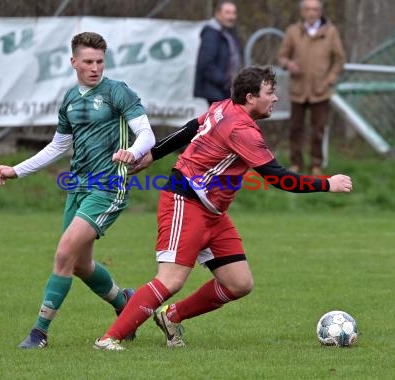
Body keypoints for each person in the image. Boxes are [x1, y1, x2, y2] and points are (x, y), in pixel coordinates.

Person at [94, 66, 353, 351]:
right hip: (186, 200)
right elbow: (278, 177)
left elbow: (190, 129)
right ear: (251, 97)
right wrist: (327, 184)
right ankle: (109, 339)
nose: (276, 98)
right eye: (270, 93)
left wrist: (153, 154)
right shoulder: (242, 130)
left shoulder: (225, 107)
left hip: (212, 212)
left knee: (239, 283)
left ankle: (171, 317)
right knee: (171, 280)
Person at [0, 32, 155, 349]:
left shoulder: (117, 92)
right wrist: (17, 170)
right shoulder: (70, 98)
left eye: (100, 62)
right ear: (73, 63)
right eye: (88, 62)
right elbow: (58, 147)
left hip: (108, 187)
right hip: (77, 187)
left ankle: (39, 333)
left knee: (64, 253)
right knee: (80, 264)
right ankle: (125, 303)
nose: (95, 68)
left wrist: (132, 153)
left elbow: (146, 134)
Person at [277, 0, 345, 175]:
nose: (311, 12)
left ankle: (316, 164)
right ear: (302, 12)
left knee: (318, 130)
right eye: (307, 9)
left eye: (315, 9)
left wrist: (329, 80)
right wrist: (288, 64)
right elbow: (282, 56)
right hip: (298, 89)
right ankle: (296, 163)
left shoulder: (330, 32)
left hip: (320, 91)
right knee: (295, 129)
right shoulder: (293, 31)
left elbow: (339, 59)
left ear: (320, 11)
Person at [194, 0, 243, 105]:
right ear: (218, 14)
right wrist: (225, 81)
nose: (231, 17)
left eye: (234, 13)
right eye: (227, 13)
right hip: (216, 91)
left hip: (227, 91)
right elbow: (205, 64)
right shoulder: (211, 33)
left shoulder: (229, 33)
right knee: (221, 121)